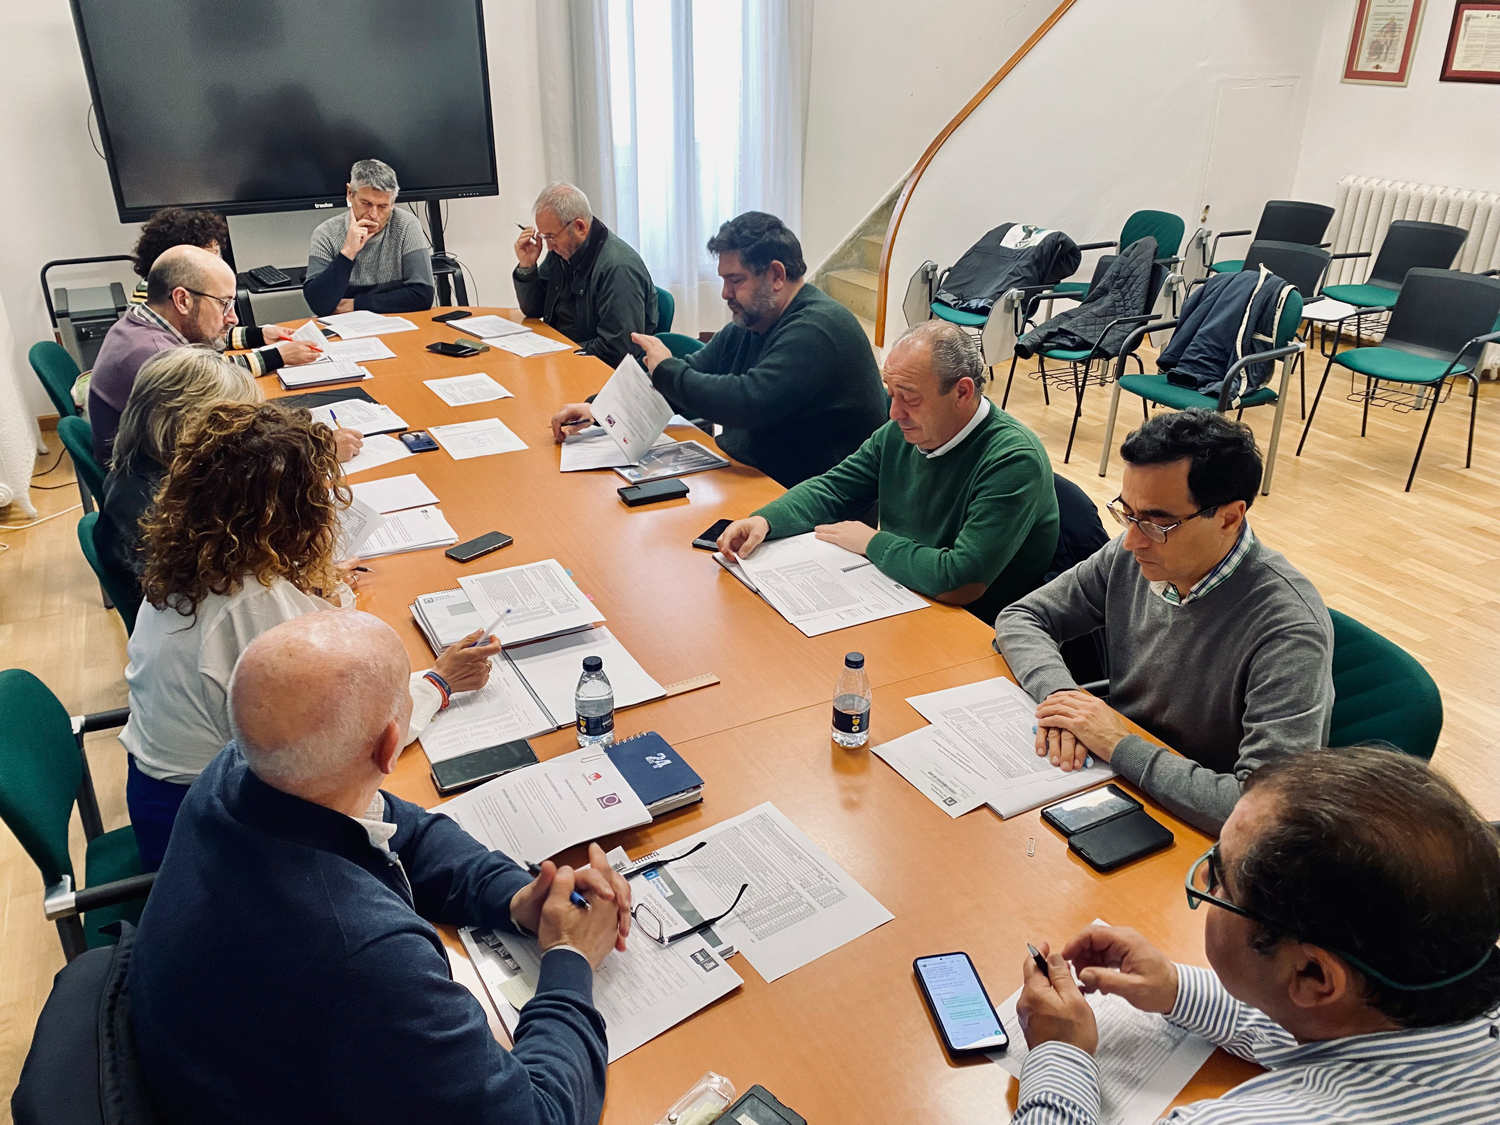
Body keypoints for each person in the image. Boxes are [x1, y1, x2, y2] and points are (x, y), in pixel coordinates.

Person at [130, 610, 629, 1124]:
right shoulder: (367, 957)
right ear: (391, 747)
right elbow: (539, 1117)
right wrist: (570, 957)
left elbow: (402, 829)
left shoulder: (240, 771)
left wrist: (514, 897)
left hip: (208, 1062)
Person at [1013, 745, 1500, 1124]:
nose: (1205, 884)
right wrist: (1176, 990)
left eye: (1220, 878)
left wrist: (1060, 1053)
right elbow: (1332, 1024)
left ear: (1312, 974)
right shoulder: (1441, 990)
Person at [120, 402, 499, 870]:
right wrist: (439, 682)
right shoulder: (253, 604)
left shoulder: (197, 563)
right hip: (213, 842)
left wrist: (307, 584)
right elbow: (348, 744)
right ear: (291, 514)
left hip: (175, 797)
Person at [995, 410, 1333, 833]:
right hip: (1117, 779)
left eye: (1158, 524)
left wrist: (1118, 745)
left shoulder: (1289, 631)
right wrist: (1063, 700)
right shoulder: (1134, 554)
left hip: (1194, 827)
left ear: (1229, 518)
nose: (1132, 541)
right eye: (1127, 513)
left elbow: (1263, 810)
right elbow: (1023, 616)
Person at [716, 320, 1059, 623]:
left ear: (962, 392)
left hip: (972, 627)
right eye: (890, 393)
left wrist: (872, 542)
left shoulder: (1013, 459)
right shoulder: (902, 433)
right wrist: (765, 521)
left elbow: (960, 581)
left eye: (909, 397)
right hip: (903, 594)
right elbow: (834, 488)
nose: (894, 413)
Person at [550, 211, 886, 488]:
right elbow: (695, 371)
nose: (725, 293)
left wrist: (668, 371)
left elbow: (748, 402)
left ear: (776, 276)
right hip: (754, 476)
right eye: (723, 280)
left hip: (810, 499)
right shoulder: (755, 320)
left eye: (736, 280)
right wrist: (599, 408)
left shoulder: (817, 330)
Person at [87, 244, 326, 464]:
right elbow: (223, 455)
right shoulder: (161, 359)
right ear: (182, 300)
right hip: (157, 486)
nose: (233, 318)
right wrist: (319, 449)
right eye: (224, 304)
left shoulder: (140, 321)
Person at [93, 346, 260, 613]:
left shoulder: (153, 463)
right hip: (189, 619)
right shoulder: (150, 510)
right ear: (186, 424)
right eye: (236, 427)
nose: (245, 437)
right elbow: (212, 594)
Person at [513, 182, 658, 367]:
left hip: (596, 367)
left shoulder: (619, 269)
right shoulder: (562, 252)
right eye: (544, 237)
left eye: (551, 236)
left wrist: (560, 354)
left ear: (580, 227)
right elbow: (534, 309)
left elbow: (618, 349)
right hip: (564, 355)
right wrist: (527, 266)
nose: (548, 246)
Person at [304, 158, 435, 316]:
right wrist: (348, 252)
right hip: (342, 325)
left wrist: (356, 304)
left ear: (393, 202)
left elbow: (422, 295)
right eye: (366, 203)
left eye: (383, 206)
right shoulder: (326, 233)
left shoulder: (407, 225)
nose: (373, 214)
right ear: (349, 193)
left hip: (394, 322)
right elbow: (319, 304)